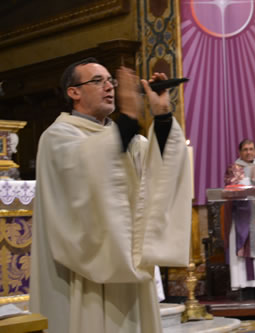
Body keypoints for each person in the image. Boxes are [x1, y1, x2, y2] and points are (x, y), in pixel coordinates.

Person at [29, 58, 193, 333]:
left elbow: (158, 168)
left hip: (126, 264)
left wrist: (162, 114)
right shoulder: (58, 137)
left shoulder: (119, 137)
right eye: (98, 81)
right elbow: (91, 164)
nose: (109, 87)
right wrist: (128, 117)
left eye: (111, 81)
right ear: (74, 92)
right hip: (85, 273)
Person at [224, 139, 255, 300]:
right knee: (242, 254)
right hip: (242, 218)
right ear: (239, 152)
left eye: (251, 149)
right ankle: (244, 288)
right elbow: (229, 187)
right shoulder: (234, 168)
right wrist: (247, 181)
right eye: (245, 149)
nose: (248, 152)